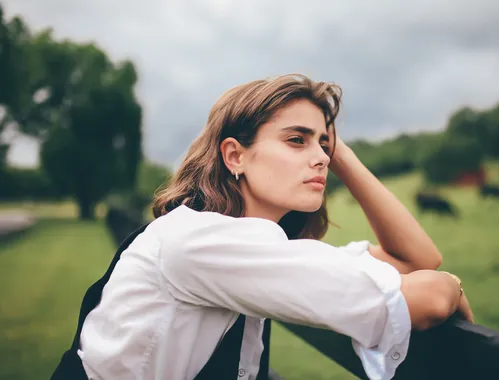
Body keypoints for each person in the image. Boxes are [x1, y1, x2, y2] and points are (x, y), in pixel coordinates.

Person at [54, 73, 473, 380]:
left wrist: (338, 150)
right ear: (235, 156)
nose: (322, 158)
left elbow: (415, 259)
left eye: (323, 145)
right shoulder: (201, 243)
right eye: (296, 140)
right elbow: (432, 295)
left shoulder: (263, 251)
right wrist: (451, 283)